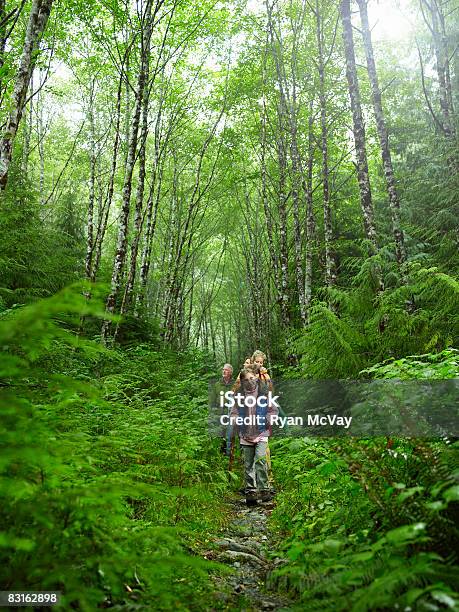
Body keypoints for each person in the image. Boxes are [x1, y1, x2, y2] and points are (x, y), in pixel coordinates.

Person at [230, 364, 278, 506]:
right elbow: (233, 412)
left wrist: (269, 419)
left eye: (252, 378)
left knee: (261, 460)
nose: (250, 381)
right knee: (248, 464)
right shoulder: (239, 396)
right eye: (247, 379)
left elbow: (273, 410)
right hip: (246, 435)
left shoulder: (263, 392)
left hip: (262, 433)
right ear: (243, 381)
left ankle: (264, 490)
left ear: (256, 379)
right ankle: (251, 491)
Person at [210, 363, 235, 455]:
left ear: (230, 372)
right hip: (220, 412)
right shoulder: (217, 384)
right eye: (223, 369)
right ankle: (222, 454)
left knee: (230, 433)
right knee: (221, 433)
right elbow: (212, 399)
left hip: (231, 412)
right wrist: (213, 411)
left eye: (226, 370)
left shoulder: (234, 384)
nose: (224, 371)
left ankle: (230, 453)